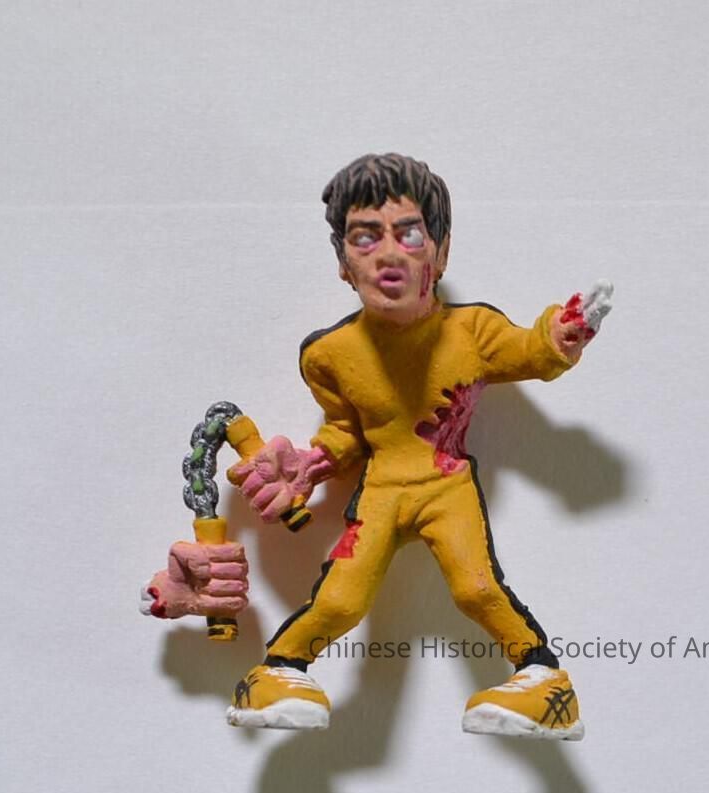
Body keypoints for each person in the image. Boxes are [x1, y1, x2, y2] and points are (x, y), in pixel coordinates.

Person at [144, 153, 610, 740]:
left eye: (408, 234)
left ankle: (543, 679)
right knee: (341, 599)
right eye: (365, 237)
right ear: (343, 263)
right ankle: (279, 671)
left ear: (440, 252)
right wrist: (312, 465)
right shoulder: (329, 356)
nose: (388, 255)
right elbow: (346, 432)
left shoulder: (472, 332)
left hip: (446, 483)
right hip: (382, 490)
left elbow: (527, 352)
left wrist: (560, 336)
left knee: (477, 587)